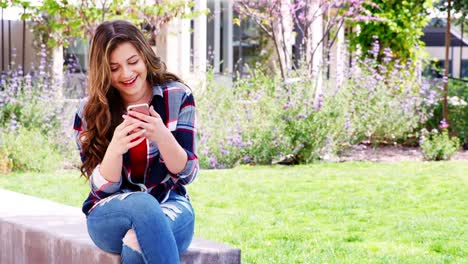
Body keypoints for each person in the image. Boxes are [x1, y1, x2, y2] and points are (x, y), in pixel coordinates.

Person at [73, 20, 199, 264]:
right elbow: (101, 189)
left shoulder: (178, 96)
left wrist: (162, 135)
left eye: (132, 62)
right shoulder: (89, 111)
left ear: (144, 57)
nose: (127, 74)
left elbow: (187, 174)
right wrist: (116, 148)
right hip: (110, 214)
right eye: (114, 68)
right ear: (103, 71)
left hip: (171, 204)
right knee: (141, 203)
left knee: (136, 242)